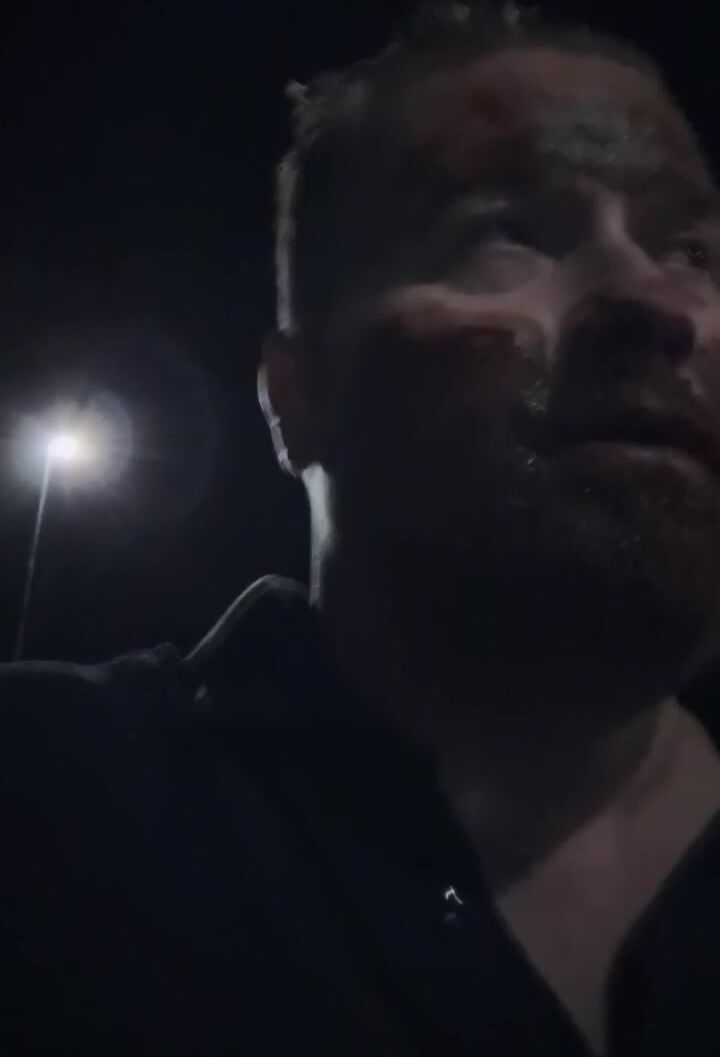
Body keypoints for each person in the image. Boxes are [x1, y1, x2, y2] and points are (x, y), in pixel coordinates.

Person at [4, 2, 720, 1054]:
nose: (657, 301)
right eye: (507, 232)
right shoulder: (42, 806)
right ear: (298, 395)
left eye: (692, 248)